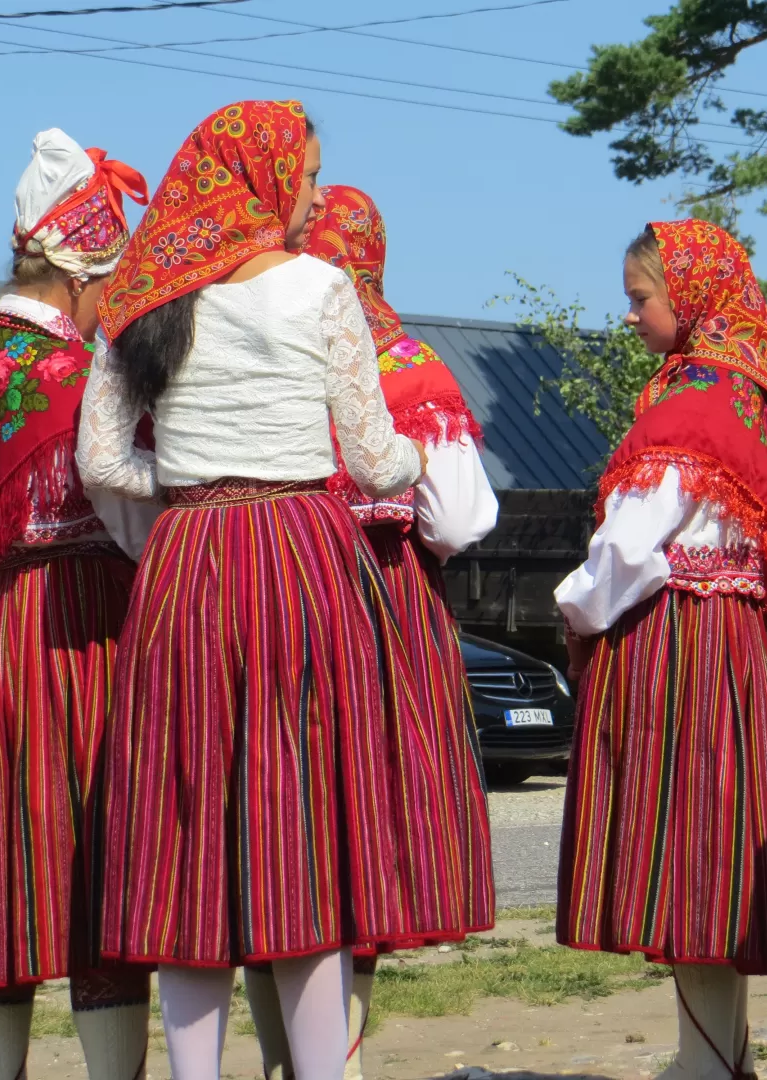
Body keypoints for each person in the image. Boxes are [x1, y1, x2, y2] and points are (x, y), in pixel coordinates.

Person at [77, 101, 467, 1080]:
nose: (310, 197)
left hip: (188, 569)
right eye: (301, 176)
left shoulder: (147, 293)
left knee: (187, 840)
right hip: (298, 560)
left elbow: (97, 458)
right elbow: (376, 465)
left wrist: (168, 511)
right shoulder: (325, 288)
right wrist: (424, 454)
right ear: (259, 183)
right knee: (305, 838)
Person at [0, 129, 152, 1080]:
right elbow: (136, 514)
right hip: (79, 634)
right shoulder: (80, 377)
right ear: (82, 273)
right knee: (92, 865)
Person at [241, 184, 498, 1080]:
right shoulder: (411, 363)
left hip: (265, 600)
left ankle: (287, 1061)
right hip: (382, 613)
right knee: (363, 840)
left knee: (277, 837)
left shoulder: (262, 345)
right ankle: (337, 1060)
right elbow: (461, 520)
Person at [555, 219, 767, 1080]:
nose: (629, 315)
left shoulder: (693, 400)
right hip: (732, 642)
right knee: (718, 845)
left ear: (692, 297)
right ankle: (722, 1054)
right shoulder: (740, 394)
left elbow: (631, 545)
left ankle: (706, 1064)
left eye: (641, 298)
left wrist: (578, 608)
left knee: (691, 848)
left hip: (679, 644)